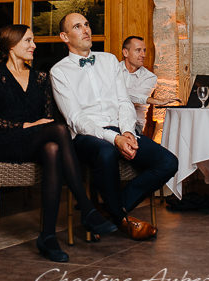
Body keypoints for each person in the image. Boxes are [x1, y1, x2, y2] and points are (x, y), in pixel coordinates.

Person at [0, 24, 117, 261]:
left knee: (54, 147)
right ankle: (85, 208)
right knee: (58, 133)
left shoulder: (41, 78)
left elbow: (48, 116)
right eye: (28, 41)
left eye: (33, 41)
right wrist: (27, 126)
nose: (34, 45)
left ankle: (48, 236)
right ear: (12, 46)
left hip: (35, 141)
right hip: (6, 142)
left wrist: (36, 127)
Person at [51, 13, 178, 240]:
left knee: (168, 162)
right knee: (106, 151)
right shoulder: (59, 71)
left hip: (121, 128)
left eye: (87, 24)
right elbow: (76, 119)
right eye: (77, 26)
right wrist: (114, 139)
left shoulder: (109, 60)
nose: (86, 30)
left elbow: (123, 101)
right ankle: (120, 217)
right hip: (86, 135)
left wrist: (127, 131)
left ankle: (112, 211)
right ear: (64, 36)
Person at [119, 36, 175, 134]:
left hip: (135, 124)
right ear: (125, 52)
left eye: (144, 50)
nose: (143, 55)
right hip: (111, 120)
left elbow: (132, 100)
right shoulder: (113, 70)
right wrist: (151, 100)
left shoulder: (150, 77)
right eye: (138, 50)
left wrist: (113, 94)